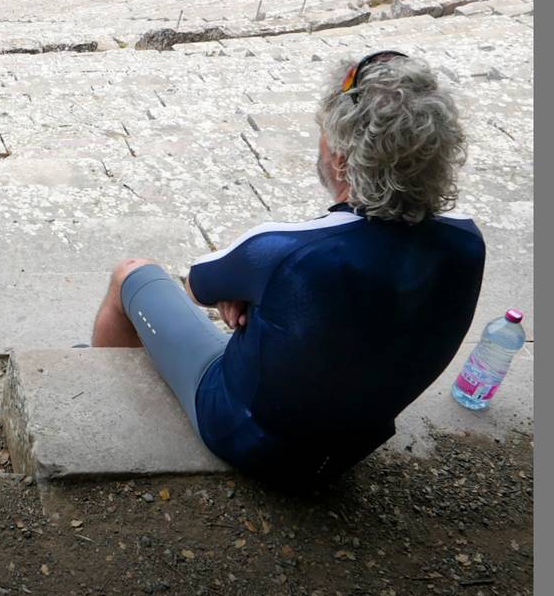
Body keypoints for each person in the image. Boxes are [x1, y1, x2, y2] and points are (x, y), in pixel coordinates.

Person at [90, 52, 485, 489]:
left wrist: (248, 287)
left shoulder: (283, 250)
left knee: (131, 274)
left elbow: (198, 285)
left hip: (246, 437)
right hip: (349, 448)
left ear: (341, 159)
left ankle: (92, 404)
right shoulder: (468, 243)